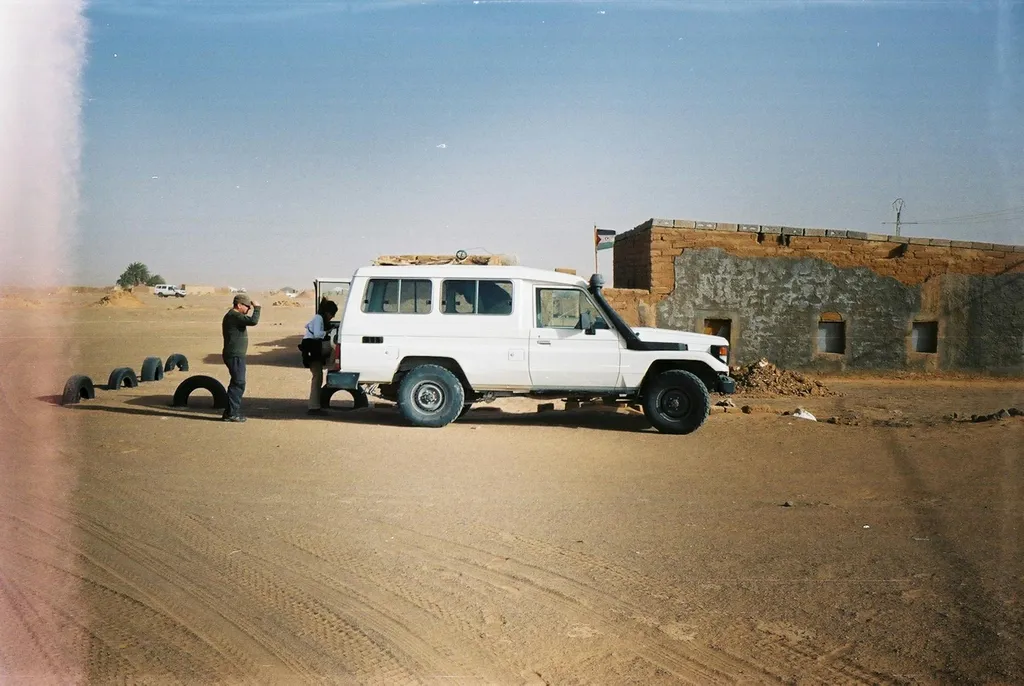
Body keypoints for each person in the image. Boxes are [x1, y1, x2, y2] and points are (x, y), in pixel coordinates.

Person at [221, 292, 261, 422]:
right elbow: (253, 321)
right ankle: (231, 413)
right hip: (234, 355)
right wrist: (257, 308)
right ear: (239, 305)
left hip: (235, 355)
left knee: (237, 383)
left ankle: (229, 412)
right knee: (238, 383)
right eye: (247, 306)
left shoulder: (234, 316)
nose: (249, 309)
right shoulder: (234, 316)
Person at [301, 298, 339, 415]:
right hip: (313, 348)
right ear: (327, 312)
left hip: (314, 349)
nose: (332, 317)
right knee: (336, 346)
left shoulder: (320, 319)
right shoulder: (318, 318)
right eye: (332, 314)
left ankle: (315, 407)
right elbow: (317, 334)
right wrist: (329, 332)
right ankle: (333, 367)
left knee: (317, 378)